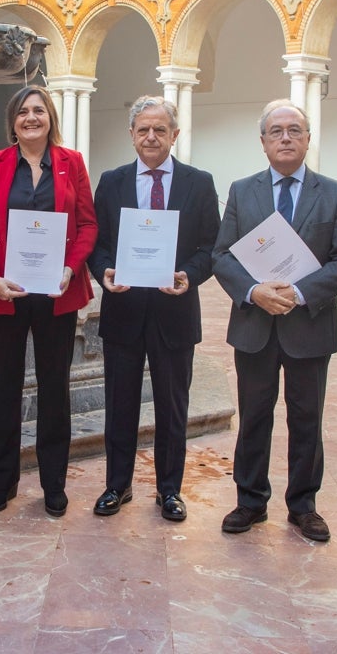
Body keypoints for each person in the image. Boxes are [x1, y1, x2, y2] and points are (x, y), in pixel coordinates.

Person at [212, 99, 337, 541]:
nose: (286, 138)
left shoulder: (334, 193)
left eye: (295, 130)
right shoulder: (242, 190)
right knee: (255, 416)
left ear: (308, 138)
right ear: (262, 142)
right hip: (255, 326)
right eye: (276, 131)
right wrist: (254, 291)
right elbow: (222, 255)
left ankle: (303, 505)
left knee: (306, 418)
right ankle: (250, 501)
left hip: (308, 326)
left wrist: (298, 293)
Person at [87, 96, 219, 522]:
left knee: (173, 407)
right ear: (131, 135)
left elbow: (210, 246)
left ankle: (169, 490)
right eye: (143, 129)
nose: (151, 137)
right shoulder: (111, 181)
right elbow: (98, 242)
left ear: (174, 135)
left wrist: (189, 275)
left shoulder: (198, 183)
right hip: (123, 309)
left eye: (160, 130)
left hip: (174, 313)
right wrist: (104, 270)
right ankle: (117, 485)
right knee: (119, 405)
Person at [0, 85, 97, 517]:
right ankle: (2, 482)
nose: (30, 118)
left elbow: (87, 226)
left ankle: (53, 484)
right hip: (7, 292)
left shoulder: (71, 163)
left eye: (38, 111)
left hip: (57, 293)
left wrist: (70, 268)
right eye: (22, 112)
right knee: (4, 388)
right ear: (12, 122)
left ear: (50, 118)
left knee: (54, 389)